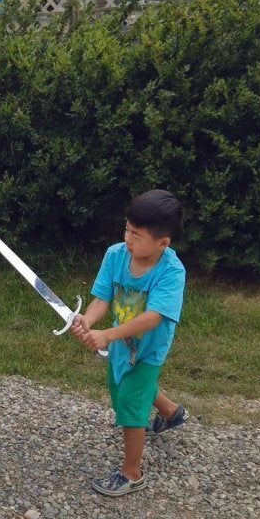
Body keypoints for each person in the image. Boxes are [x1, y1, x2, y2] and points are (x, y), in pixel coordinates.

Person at [71, 189, 188, 497]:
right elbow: (102, 298)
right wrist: (88, 321)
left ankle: (132, 473)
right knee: (123, 389)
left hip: (149, 350)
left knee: (129, 405)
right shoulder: (115, 255)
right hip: (123, 344)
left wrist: (107, 335)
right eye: (127, 229)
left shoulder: (172, 272)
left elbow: (153, 317)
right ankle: (171, 411)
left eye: (137, 235)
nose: (128, 239)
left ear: (163, 242)